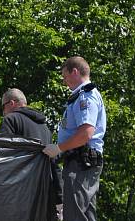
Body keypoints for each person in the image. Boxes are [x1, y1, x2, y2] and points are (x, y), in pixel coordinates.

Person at [43, 56, 106, 221]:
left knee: (73, 215)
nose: (64, 81)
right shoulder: (81, 96)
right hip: (83, 162)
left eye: (65, 76)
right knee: (86, 214)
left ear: (75, 72)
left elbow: (85, 133)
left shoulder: (85, 96)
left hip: (81, 163)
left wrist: (59, 148)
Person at [0, 88, 63, 217]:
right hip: (45, 190)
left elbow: (5, 155)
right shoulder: (45, 128)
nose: (3, 112)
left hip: (20, 190)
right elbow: (53, 162)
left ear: (11, 103)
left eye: (3, 107)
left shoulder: (10, 120)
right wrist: (60, 195)